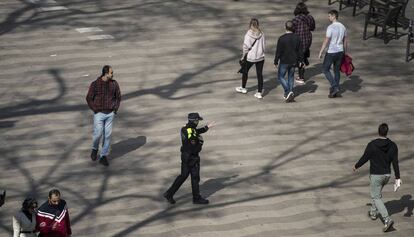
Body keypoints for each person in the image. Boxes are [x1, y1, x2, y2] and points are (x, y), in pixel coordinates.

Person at [353, 123, 401, 232]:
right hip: (387, 175)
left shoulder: (372, 145)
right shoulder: (393, 145)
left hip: (376, 175)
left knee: (376, 197)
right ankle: (373, 213)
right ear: (387, 132)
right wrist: (397, 177)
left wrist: (356, 166)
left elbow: (365, 157)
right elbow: (395, 162)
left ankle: (387, 219)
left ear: (378, 131)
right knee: (376, 193)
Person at [164, 113, 215, 204]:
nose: (198, 122)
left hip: (185, 156)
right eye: (198, 120)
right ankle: (196, 198)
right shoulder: (191, 131)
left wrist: (207, 127)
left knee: (183, 176)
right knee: (195, 178)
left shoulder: (186, 128)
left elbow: (196, 131)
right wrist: (201, 142)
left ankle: (169, 193)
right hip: (192, 158)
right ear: (195, 121)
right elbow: (195, 146)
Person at [86, 65, 121, 166]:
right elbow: (88, 98)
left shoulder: (114, 84)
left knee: (107, 136)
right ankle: (94, 149)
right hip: (99, 114)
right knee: (98, 133)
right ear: (106, 73)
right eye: (111, 72)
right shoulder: (95, 84)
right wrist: (95, 109)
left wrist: (115, 109)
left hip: (110, 113)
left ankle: (103, 156)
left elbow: (118, 97)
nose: (113, 74)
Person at [318, 10, 348, 98]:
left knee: (325, 69)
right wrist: (345, 52)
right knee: (336, 70)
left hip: (331, 51)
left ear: (334, 16)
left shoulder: (330, 27)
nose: (328, 18)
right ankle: (336, 88)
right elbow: (345, 40)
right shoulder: (343, 27)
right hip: (340, 51)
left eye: (329, 16)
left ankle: (334, 86)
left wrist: (321, 51)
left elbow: (326, 40)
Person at [236, 18, 266, 99]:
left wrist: (243, 56)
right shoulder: (262, 34)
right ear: (258, 24)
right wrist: (262, 53)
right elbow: (263, 45)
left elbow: (245, 47)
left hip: (250, 57)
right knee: (259, 74)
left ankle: (243, 88)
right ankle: (259, 92)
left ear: (250, 25)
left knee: (245, 71)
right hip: (260, 57)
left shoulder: (248, 34)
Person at [274, 20, 303, 102]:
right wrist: (301, 60)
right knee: (291, 77)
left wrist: (276, 61)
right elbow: (300, 50)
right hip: (294, 61)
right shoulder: (297, 38)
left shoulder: (282, 38)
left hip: (284, 61)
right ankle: (289, 93)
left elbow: (278, 51)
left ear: (285, 27)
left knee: (280, 77)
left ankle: (288, 91)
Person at [292, 1, 315, 84]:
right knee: (304, 53)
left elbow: (292, 30)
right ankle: (304, 59)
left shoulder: (295, 19)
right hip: (307, 40)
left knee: (299, 59)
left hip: (298, 41)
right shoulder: (310, 18)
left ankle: (301, 77)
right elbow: (312, 28)